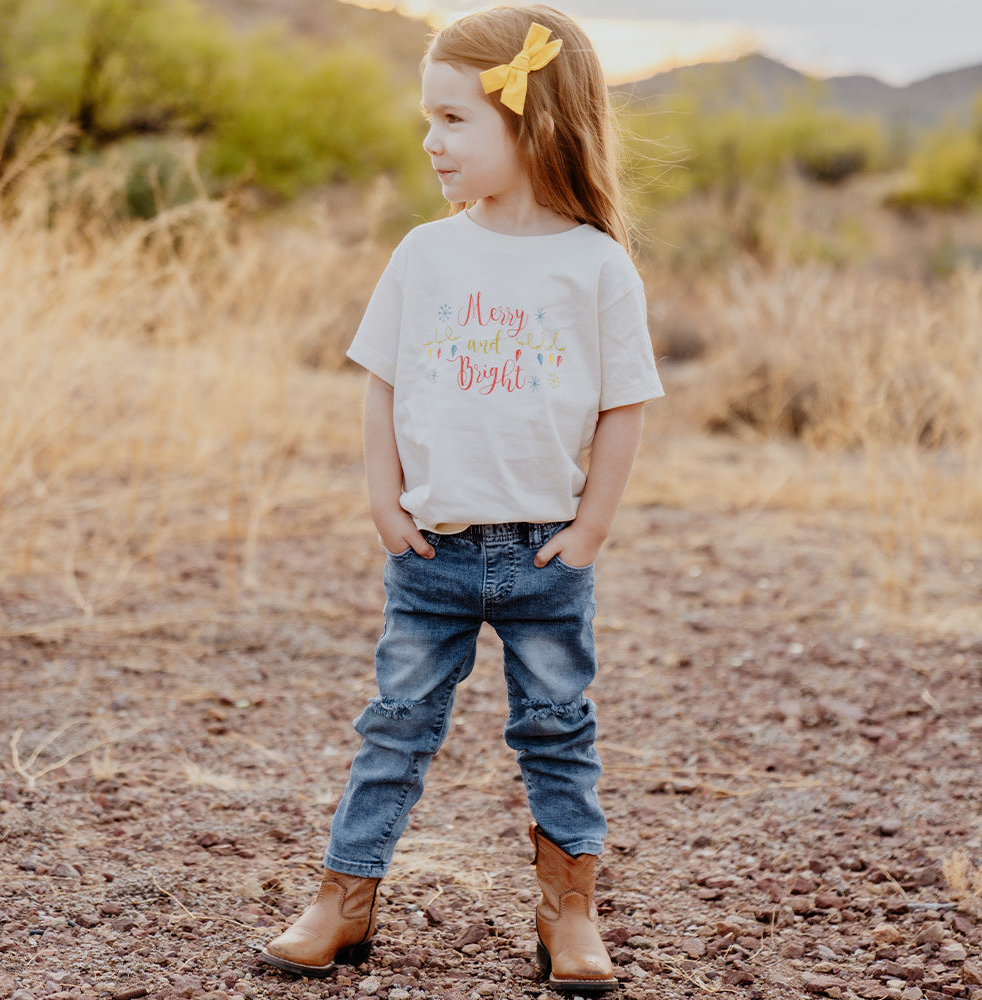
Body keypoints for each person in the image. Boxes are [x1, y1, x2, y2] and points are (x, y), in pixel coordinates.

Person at [259, 4, 663, 994]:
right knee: (394, 723)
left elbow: (623, 407)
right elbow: (383, 384)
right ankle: (342, 899)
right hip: (432, 549)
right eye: (426, 120)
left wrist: (592, 526)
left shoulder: (594, 266)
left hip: (543, 555)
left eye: (451, 120)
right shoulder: (425, 255)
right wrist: (383, 498)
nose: (429, 141)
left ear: (532, 123)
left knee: (558, 729)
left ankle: (569, 910)